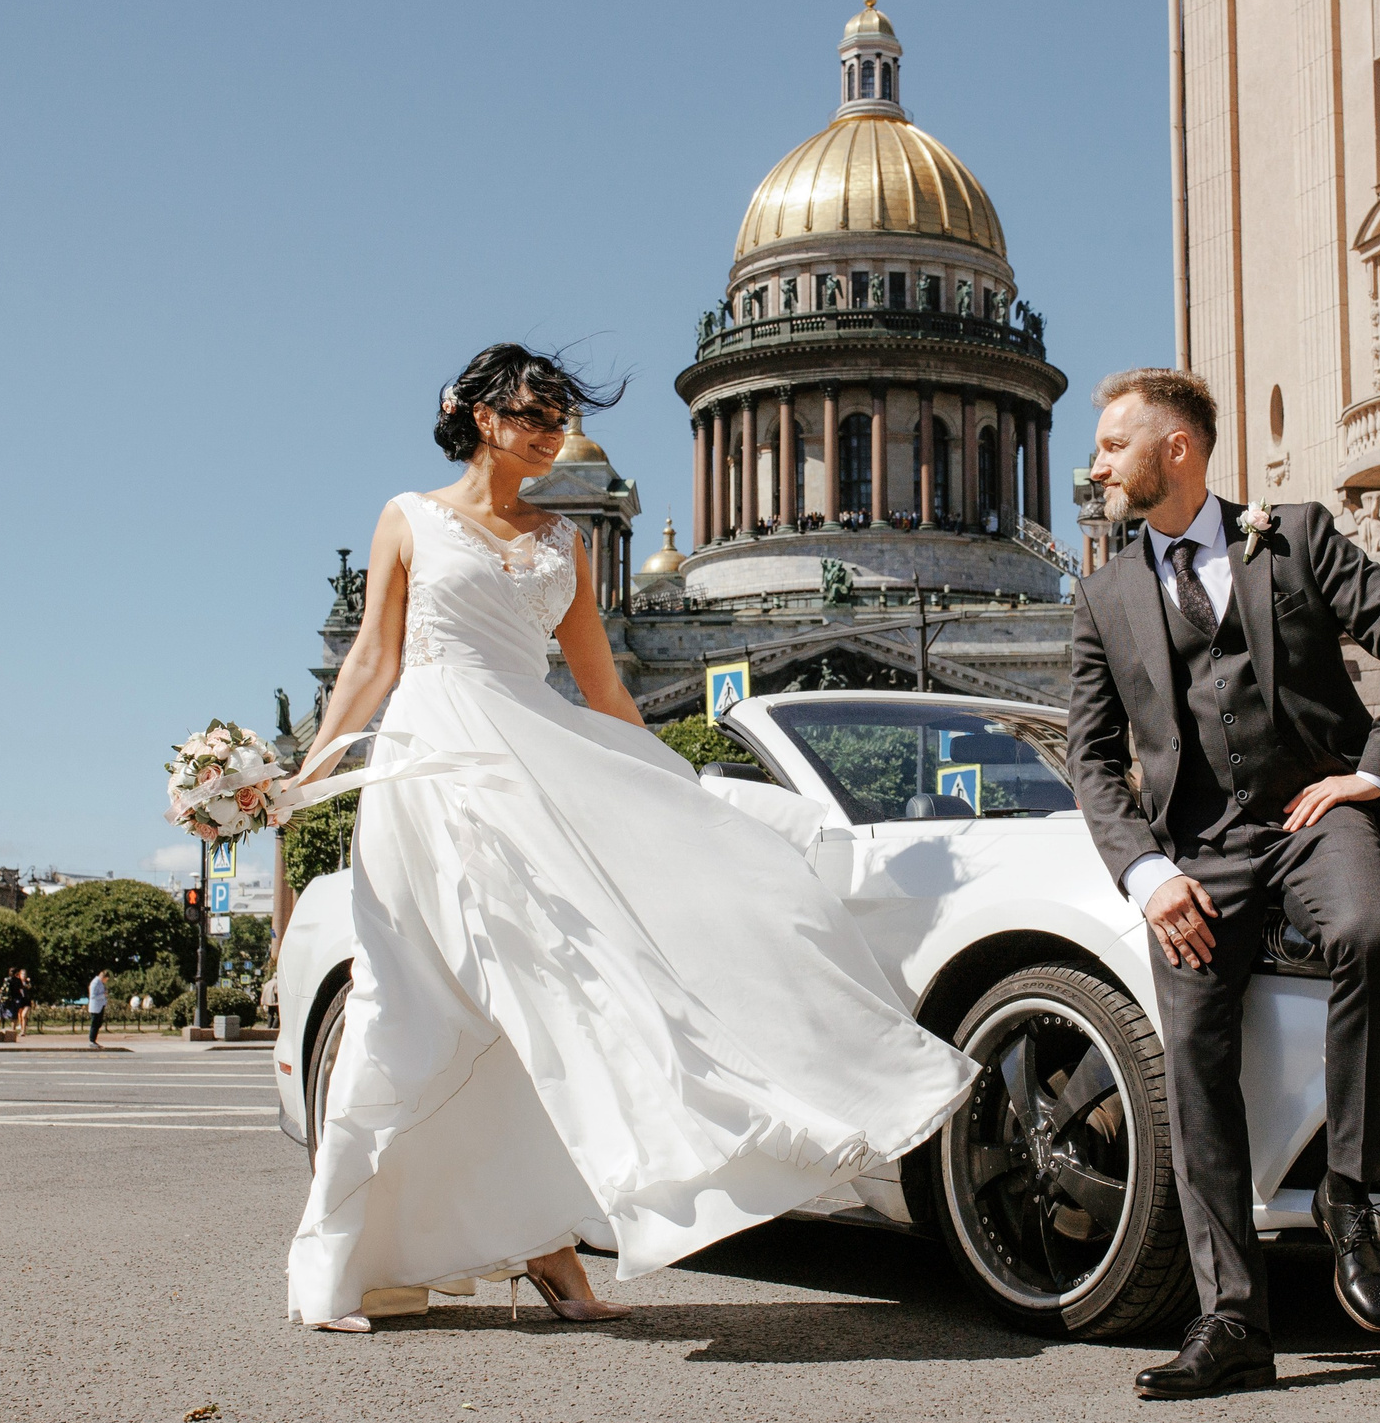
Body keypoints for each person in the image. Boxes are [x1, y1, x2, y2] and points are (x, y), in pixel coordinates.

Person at [282, 343, 975, 1333]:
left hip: (533, 776)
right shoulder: (408, 516)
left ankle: (546, 1242)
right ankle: (363, 1259)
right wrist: (304, 779)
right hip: (429, 775)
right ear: (479, 416)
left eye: (558, 421)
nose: (549, 435)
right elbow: (371, 663)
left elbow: (602, 687)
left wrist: (676, 792)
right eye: (533, 416)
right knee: (411, 1003)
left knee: (553, 996)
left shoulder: (564, 541)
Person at [1066, 368, 1380, 1401]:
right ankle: (1232, 1320)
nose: (1094, 467)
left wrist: (1374, 774)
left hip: (1311, 816)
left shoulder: (1296, 536)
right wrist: (1147, 873)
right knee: (1195, 1060)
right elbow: (1091, 758)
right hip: (1197, 851)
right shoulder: (1102, 596)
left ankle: (1350, 1195)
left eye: (1111, 446)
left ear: (1177, 449)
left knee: (1368, 932)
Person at [87, 971, 110, 1046]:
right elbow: (92, 996)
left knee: (98, 1024)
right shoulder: (95, 983)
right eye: (106, 979)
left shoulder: (100, 983)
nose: (106, 981)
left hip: (100, 1006)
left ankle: (94, 1040)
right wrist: (103, 995)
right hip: (95, 1007)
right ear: (103, 977)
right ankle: (92, 1040)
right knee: (94, 1024)